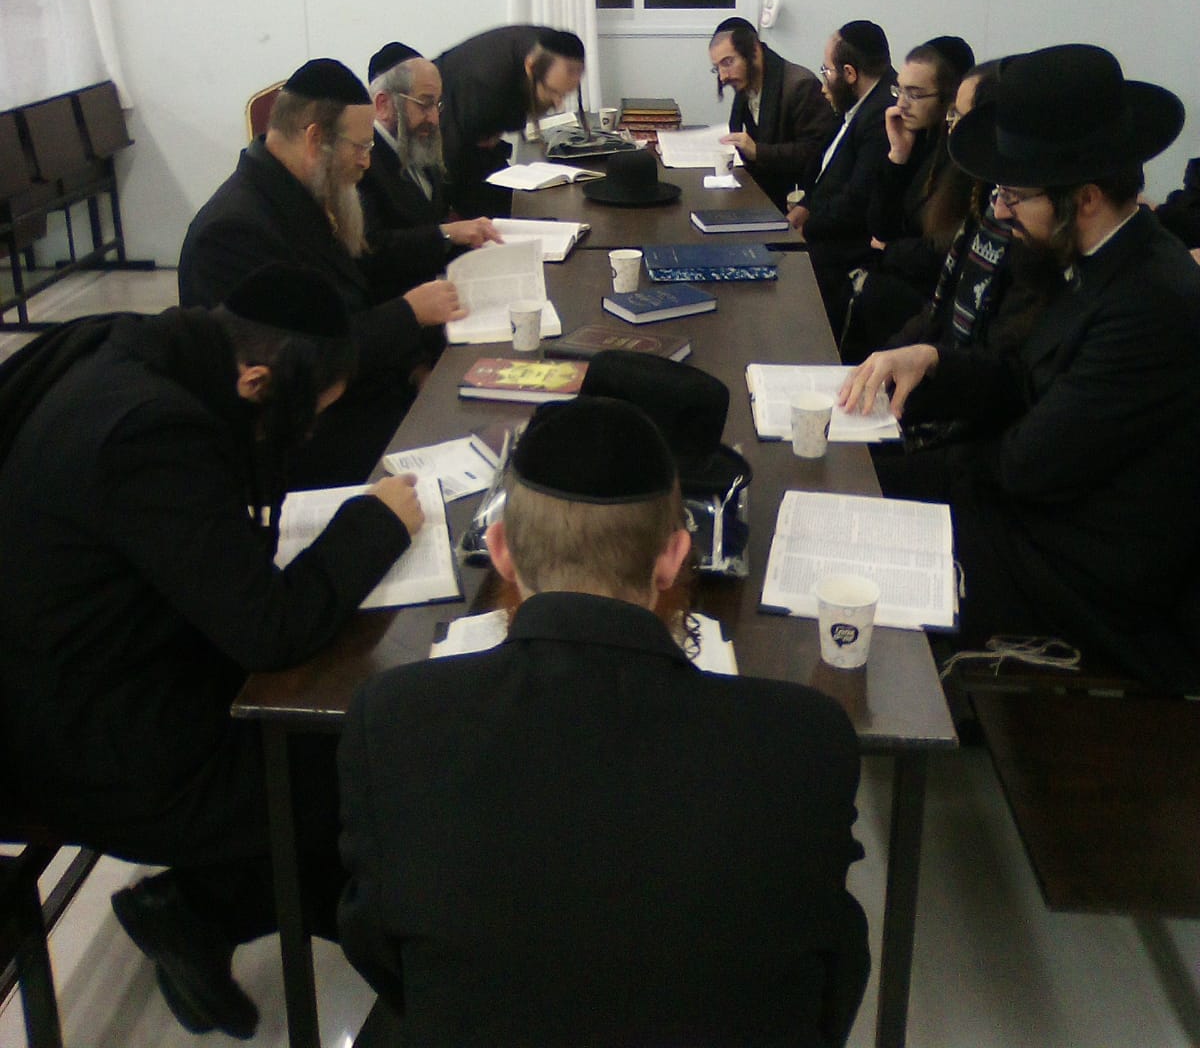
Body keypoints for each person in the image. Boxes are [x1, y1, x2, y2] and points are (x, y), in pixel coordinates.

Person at [338, 397, 870, 1048]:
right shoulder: (806, 739)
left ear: (501, 550)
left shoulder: (393, 720)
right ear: (674, 555)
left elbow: (380, 951)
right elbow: (832, 969)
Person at [0, 265, 425, 1039]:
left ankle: (209, 911)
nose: (303, 436)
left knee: (346, 745)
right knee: (357, 765)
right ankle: (403, 976)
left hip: (101, 672)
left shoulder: (151, 352)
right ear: (257, 380)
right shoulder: (148, 435)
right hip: (85, 743)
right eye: (305, 415)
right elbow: (271, 629)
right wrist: (376, 525)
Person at [841, 44, 1200, 691]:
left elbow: (1032, 465)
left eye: (1014, 193)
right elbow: (1020, 379)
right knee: (855, 486)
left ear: (1083, 198)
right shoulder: (1082, 254)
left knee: (862, 550)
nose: (1000, 209)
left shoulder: (1151, 302)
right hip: (1033, 505)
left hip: (1081, 569)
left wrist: (926, 467)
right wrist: (933, 362)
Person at [178, 58, 465, 486]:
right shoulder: (233, 232)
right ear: (315, 138)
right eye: (361, 148)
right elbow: (298, 363)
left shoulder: (301, 193)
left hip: (358, 395)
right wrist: (408, 314)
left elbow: (360, 286)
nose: (367, 162)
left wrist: (413, 365)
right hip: (305, 438)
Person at [841, 36, 973, 357]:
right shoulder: (917, 140)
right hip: (902, 276)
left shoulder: (961, 162)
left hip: (931, 294)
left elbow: (940, 252)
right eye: (899, 90)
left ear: (948, 98)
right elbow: (879, 226)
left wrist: (889, 251)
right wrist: (897, 156)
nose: (901, 104)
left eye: (914, 94)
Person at [361, 40, 501, 275]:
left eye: (437, 105)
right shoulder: (362, 162)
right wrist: (445, 234)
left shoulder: (419, 145)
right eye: (425, 104)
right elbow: (372, 248)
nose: (435, 119)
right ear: (383, 104)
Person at [788, 19, 894, 320]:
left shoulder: (881, 116)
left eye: (827, 71)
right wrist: (807, 205)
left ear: (849, 73)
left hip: (847, 248)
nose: (824, 83)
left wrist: (809, 227)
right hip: (825, 227)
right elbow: (831, 170)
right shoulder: (861, 102)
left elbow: (856, 202)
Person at [436, 23, 586, 215]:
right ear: (530, 67)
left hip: (477, 133)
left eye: (564, 94)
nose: (559, 105)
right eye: (553, 92)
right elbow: (451, 158)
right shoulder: (485, 84)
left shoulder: (550, 46)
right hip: (445, 138)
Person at [709, 15, 838, 210]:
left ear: (754, 51)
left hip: (797, 202)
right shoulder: (746, 81)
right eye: (716, 68)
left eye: (728, 62)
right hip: (759, 192)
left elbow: (815, 152)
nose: (722, 76)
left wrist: (758, 152)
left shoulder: (800, 85)